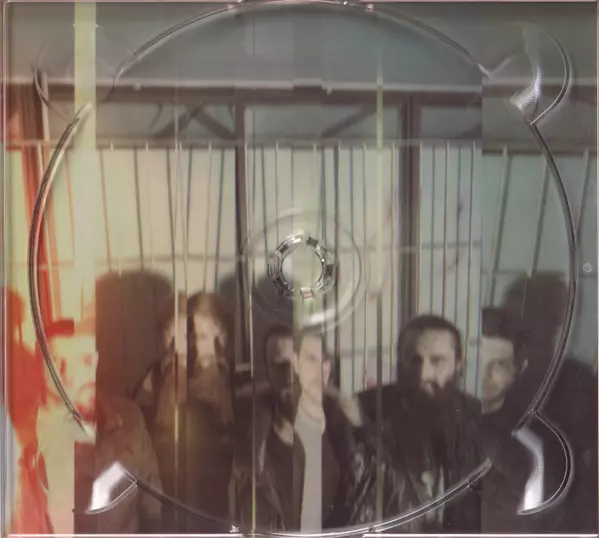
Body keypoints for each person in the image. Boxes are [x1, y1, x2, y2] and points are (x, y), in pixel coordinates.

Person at [232, 325, 416, 533]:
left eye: (306, 361)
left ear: (326, 370)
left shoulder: (363, 446)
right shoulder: (247, 453)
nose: (294, 375)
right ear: (268, 371)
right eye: (281, 365)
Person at [36, 318, 162, 534]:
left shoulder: (129, 418)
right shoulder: (20, 444)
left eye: (90, 359)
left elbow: (154, 508)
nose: (88, 372)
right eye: (56, 363)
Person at [360, 314, 483, 532]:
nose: (423, 374)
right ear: (400, 360)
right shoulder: (366, 414)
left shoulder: (479, 421)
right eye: (414, 360)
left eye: (437, 361)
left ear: (458, 363)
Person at [136, 291, 235, 531]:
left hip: (215, 490)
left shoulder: (229, 380)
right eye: (183, 337)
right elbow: (137, 425)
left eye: (202, 337)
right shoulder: (157, 377)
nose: (192, 346)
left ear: (220, 339)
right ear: (169, 339)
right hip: (167, 484)